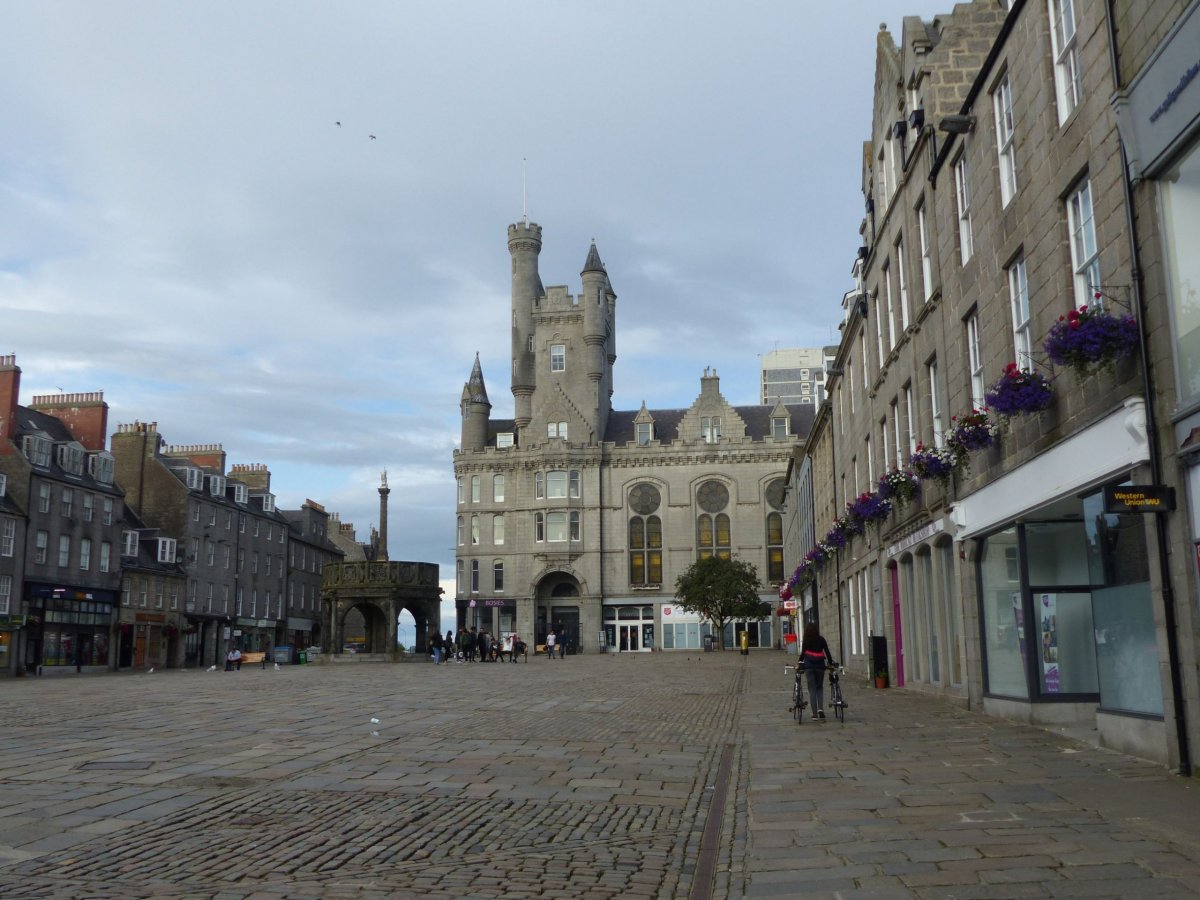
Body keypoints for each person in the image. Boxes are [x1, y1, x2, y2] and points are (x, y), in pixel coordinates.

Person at [799, 623, 836, 719]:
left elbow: (803, 653)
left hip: (809, 667)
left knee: (812, 690)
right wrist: (831, 663)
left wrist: (799, 662)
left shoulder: (806, 640)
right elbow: (827, 652)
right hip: (820, 667)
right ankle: (820, 709)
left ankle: (814, 714)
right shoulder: (821, 639)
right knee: (819, 687)